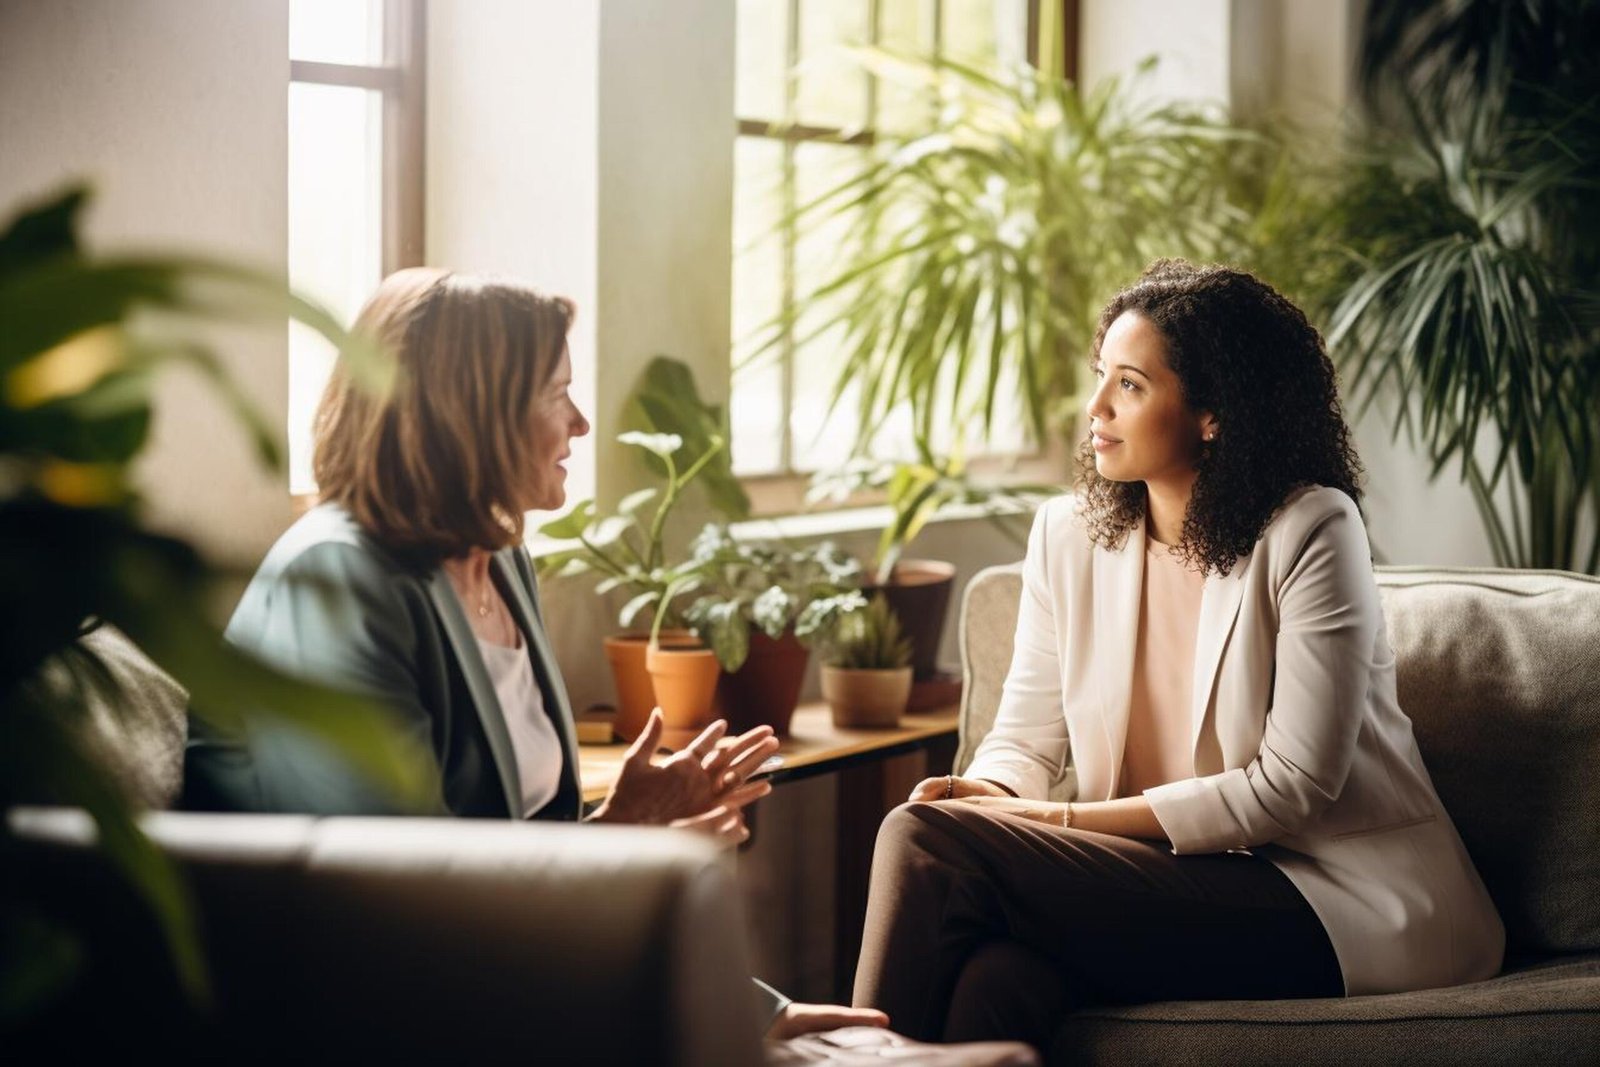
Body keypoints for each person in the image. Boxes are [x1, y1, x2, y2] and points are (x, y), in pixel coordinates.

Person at [182, 267, 889, 1043]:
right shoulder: (341, 577)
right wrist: (624, 850)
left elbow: (512, 846)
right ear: (475, 414)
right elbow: (390, 896)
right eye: (558, 394)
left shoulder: (501, 560)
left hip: (484, 984)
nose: (581, 423)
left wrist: (757, 1006)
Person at [851, 260, 1505, 1051]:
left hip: (1324, 891)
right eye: (1101, 378)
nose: (1094, 408)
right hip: (1160, 880)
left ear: (1211, 413)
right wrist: (987, 787)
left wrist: (1052, 819)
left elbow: (1291, 789)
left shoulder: (1310, 531)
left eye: (1129, 385)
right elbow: (1024, 739)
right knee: (994, 982)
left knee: (923, 837)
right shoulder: (1067, 538)